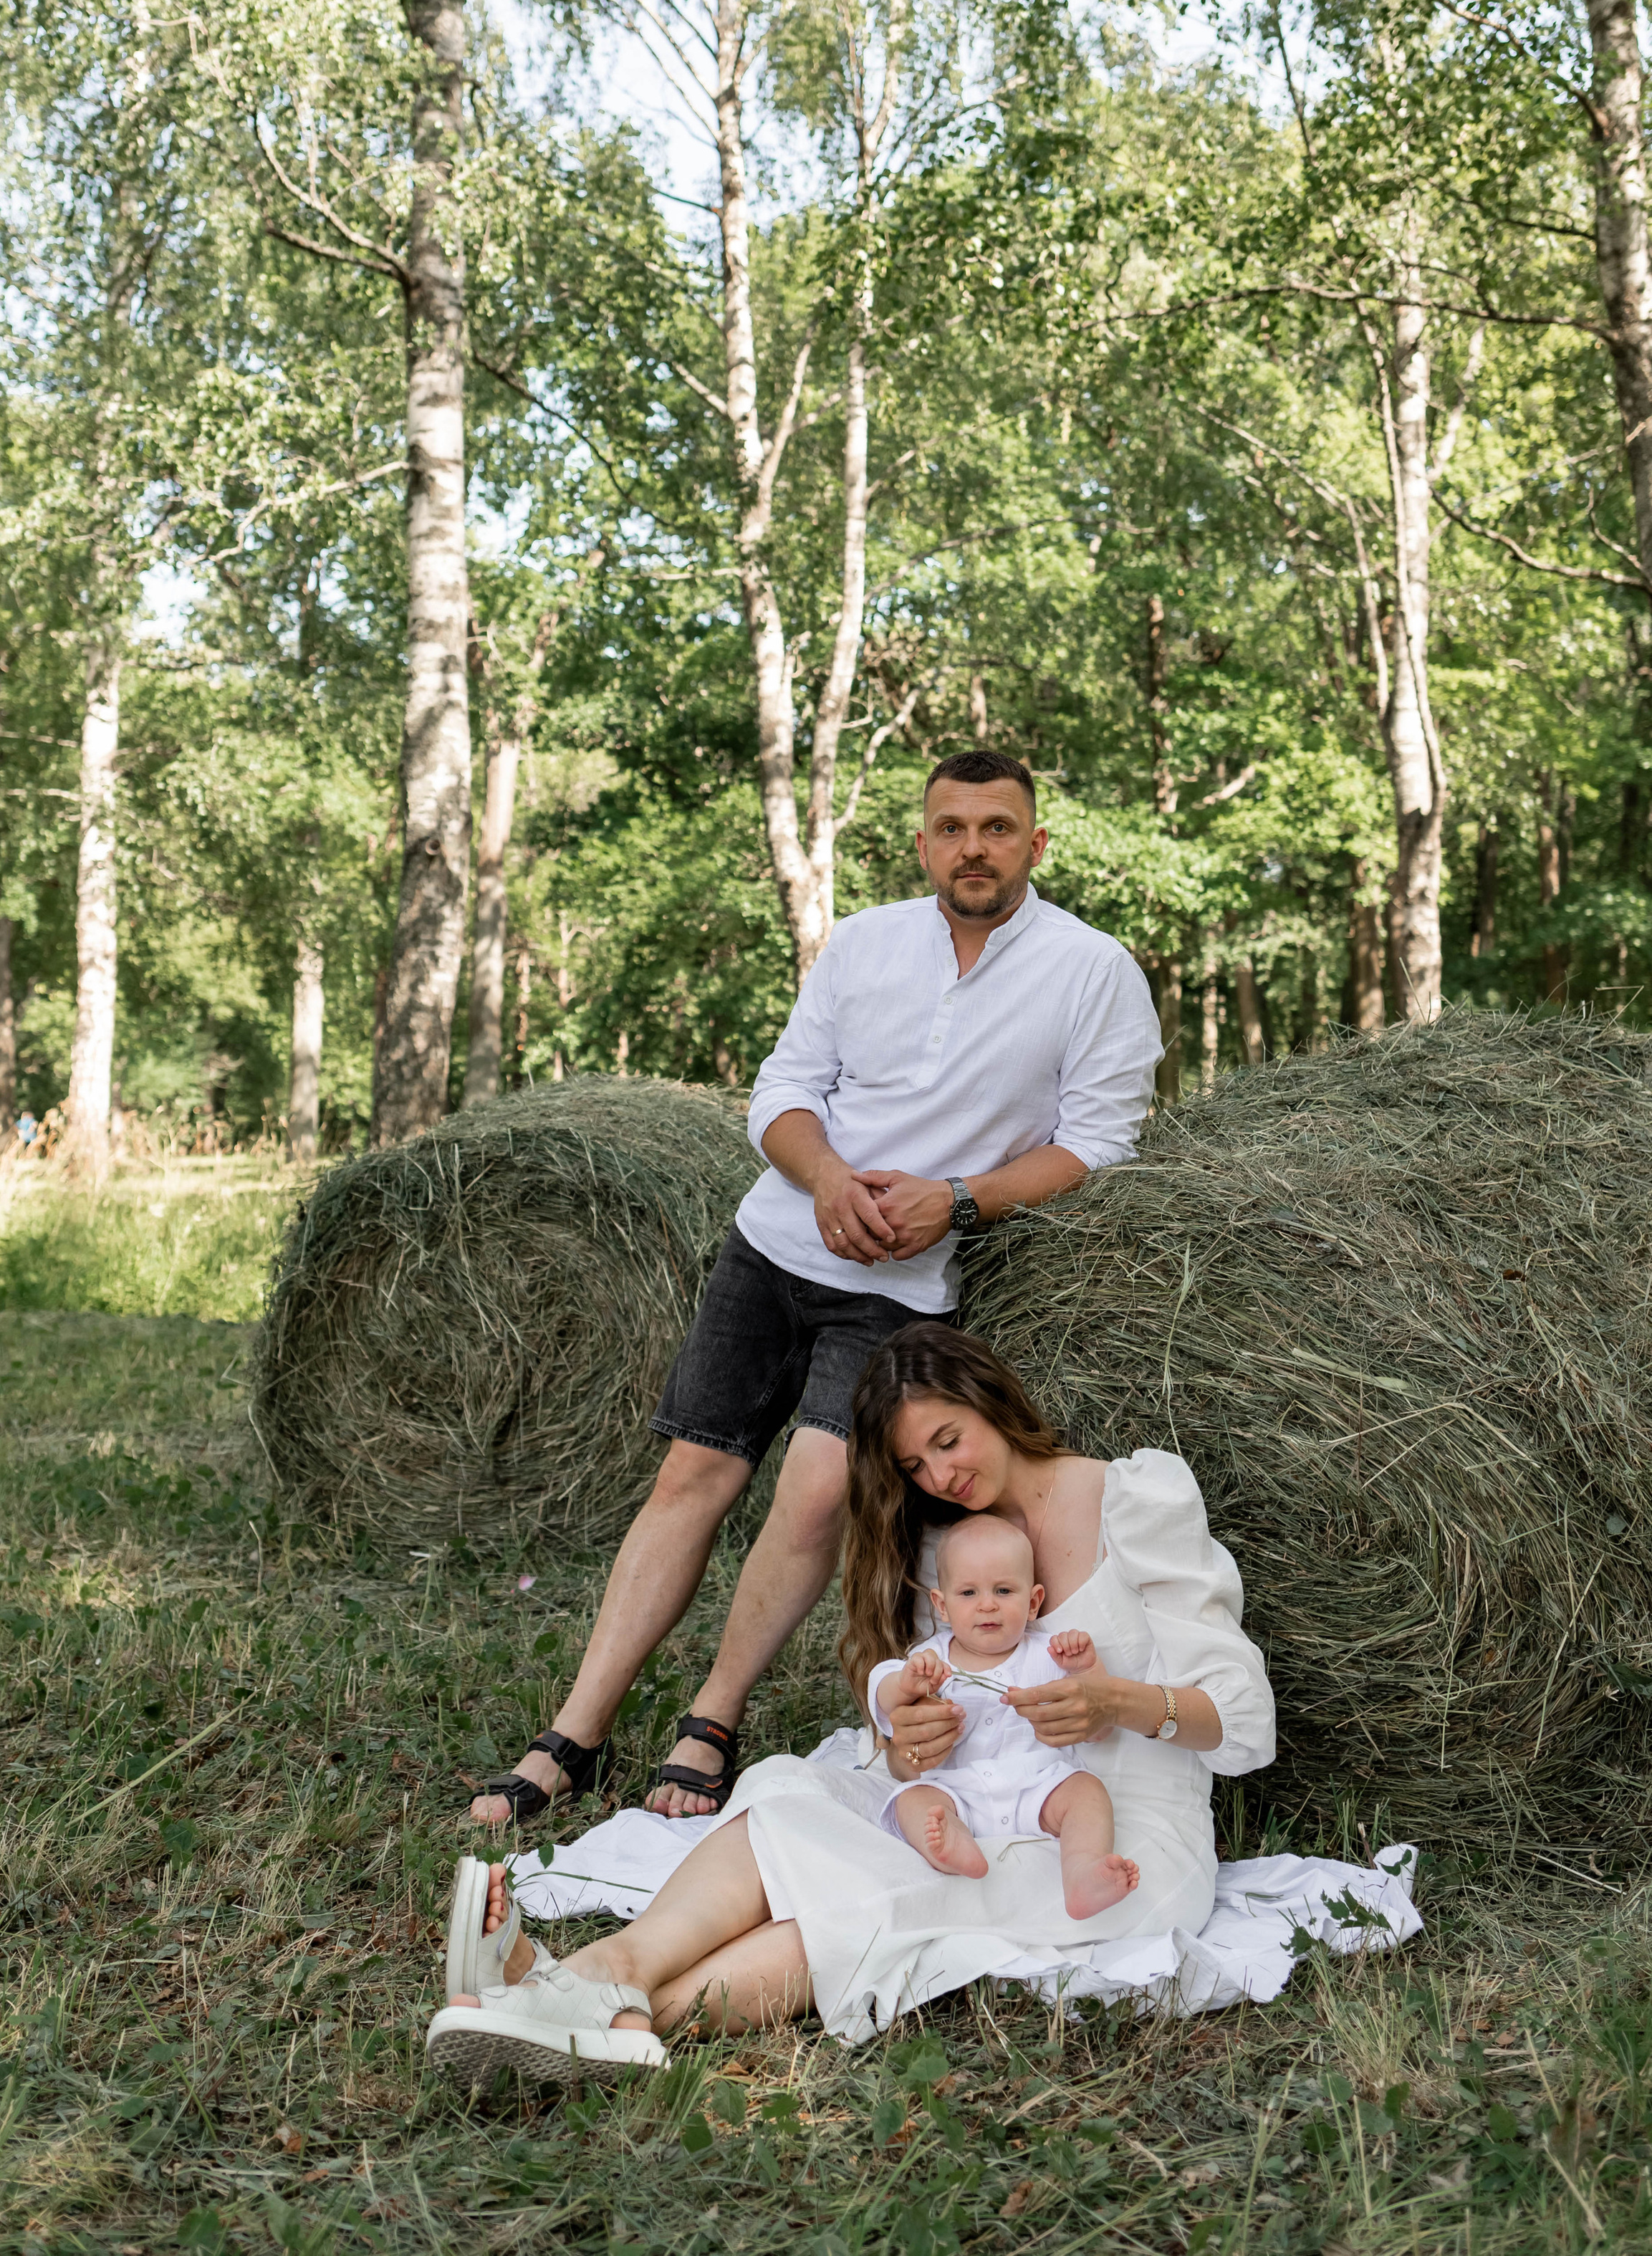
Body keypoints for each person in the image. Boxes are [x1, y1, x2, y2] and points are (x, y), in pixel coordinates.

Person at [468, 750, 1161, 1830]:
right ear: (923, 841)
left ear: (1035, 844)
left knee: (817, 1491)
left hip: (906, 1286)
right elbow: (785, 1091)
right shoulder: (866, 944)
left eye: (995, 827)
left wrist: (961, 1202)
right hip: (776, 1240)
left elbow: (1100, 1142)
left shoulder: (1093, 969)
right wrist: (827, 1176)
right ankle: (576, 1732)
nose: (971, 846)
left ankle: (711, 1717)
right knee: (692, 1472)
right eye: (950, 827)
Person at [428, 1325, 1275, 2075]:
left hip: (1113, 1831)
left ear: (993, 1401)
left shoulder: (1135, 1497)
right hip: (974, 1796)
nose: (942, 1474)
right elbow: (910, 1741)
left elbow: (1241, 1721)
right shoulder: (945, 1548)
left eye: (950, 1440)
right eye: (915, 1465)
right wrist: (912, 1738)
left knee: (873, 1890)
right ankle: (600, 1978)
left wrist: (1118, 1702)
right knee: (792, 1806)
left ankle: (566, 1997)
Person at [870, 1512, 1139, 1911]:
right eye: (968, 1594)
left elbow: (1097, 1728)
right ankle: (952, 1844)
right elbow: (882, 1690)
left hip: (1039, 1788)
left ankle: (1082, 1873)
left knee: (1087, 1792)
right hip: (955, 1790)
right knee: (914, 1800)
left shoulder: (1047, 1655)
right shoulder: (930, 1661)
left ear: (1032, 1602)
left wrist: (1085, 1669)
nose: (987, 1606)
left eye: (1003, 1590)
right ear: (941, 1606)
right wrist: (907, 1684)